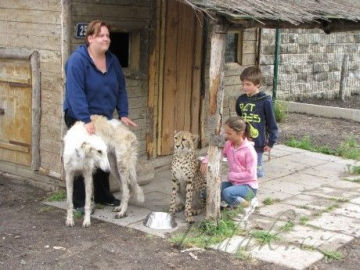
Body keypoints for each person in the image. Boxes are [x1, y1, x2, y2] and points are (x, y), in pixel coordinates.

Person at [63, 20, 137, 212]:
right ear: (90, 39)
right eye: (101, 35)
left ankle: (103, 194)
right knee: (84, 155)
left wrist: (123, 113)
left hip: (103, 117)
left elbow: (120, 88)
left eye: (108, 36)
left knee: (102, 152)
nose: (106, 39)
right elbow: (75, 92)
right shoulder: (77, 61)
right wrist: (85, 120)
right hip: (79, 117)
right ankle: (80, 201)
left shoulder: (112, 60)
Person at [200, 117, 258, 217]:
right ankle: (231, 202)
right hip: (234, 184)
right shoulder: (229, 145)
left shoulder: (249, 151)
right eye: (226, 133)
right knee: (208, 191)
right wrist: (206, 160)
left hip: (248, 187)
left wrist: (232, 175)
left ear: (240, 133)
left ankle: (248, 204)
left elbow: (251, 175)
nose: (226, 136)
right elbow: (216, 154)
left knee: (227, 193)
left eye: (229, 134)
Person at [235, 66, 278, 178]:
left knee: (255, 171)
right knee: (242, 168)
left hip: (258, 143)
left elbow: (271, 123)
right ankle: (243, 188)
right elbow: (239, 116)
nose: (244, 87)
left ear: (258, 84)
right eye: (243, 84)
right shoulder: (241, 100)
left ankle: (252, 190)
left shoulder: (265, 101)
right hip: (243, 141)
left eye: (248, 84)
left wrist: (271, 142)